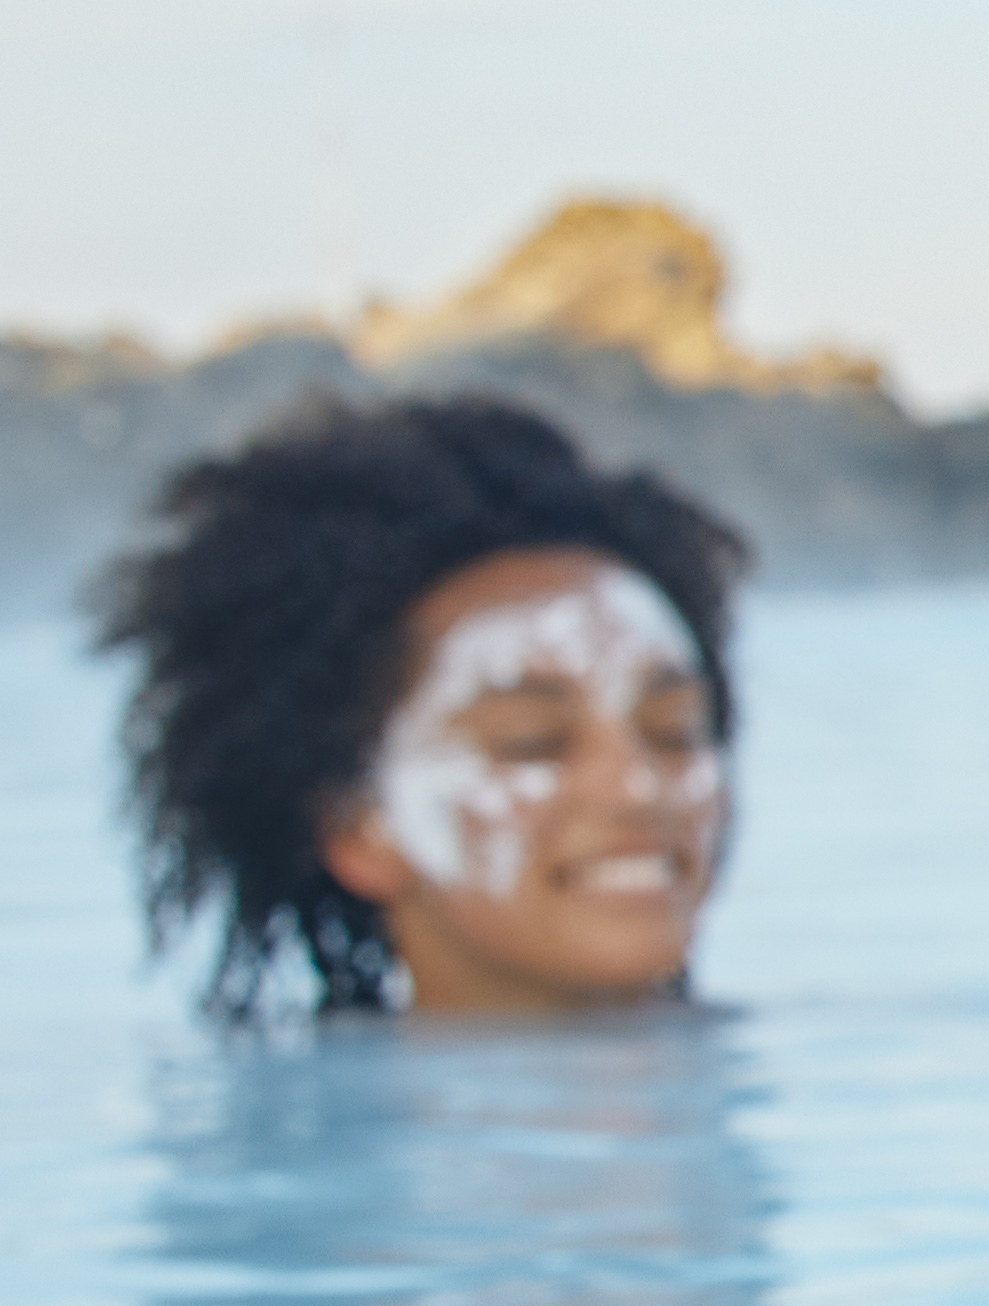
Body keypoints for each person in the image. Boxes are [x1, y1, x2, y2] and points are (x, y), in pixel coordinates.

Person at [91, 391, 750, 1023]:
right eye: (533, 742)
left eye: (675, 732)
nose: (636, 788)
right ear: (353, 827)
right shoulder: (302, 1117)